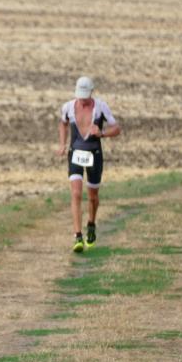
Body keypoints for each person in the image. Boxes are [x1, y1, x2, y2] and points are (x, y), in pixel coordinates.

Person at [57, 76, 121, 252]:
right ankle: (77, 237)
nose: (83, 99)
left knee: (92, 197)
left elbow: (117, 129)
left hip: (95, 155)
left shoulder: (101, 107)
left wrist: (102, 133)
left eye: (85, 95)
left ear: (91, 92)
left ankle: (91, 224)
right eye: (80, 95)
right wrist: (62, 144)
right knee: (76, 193)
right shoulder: (68, 107)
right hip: (75, 154)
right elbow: (62, 124)